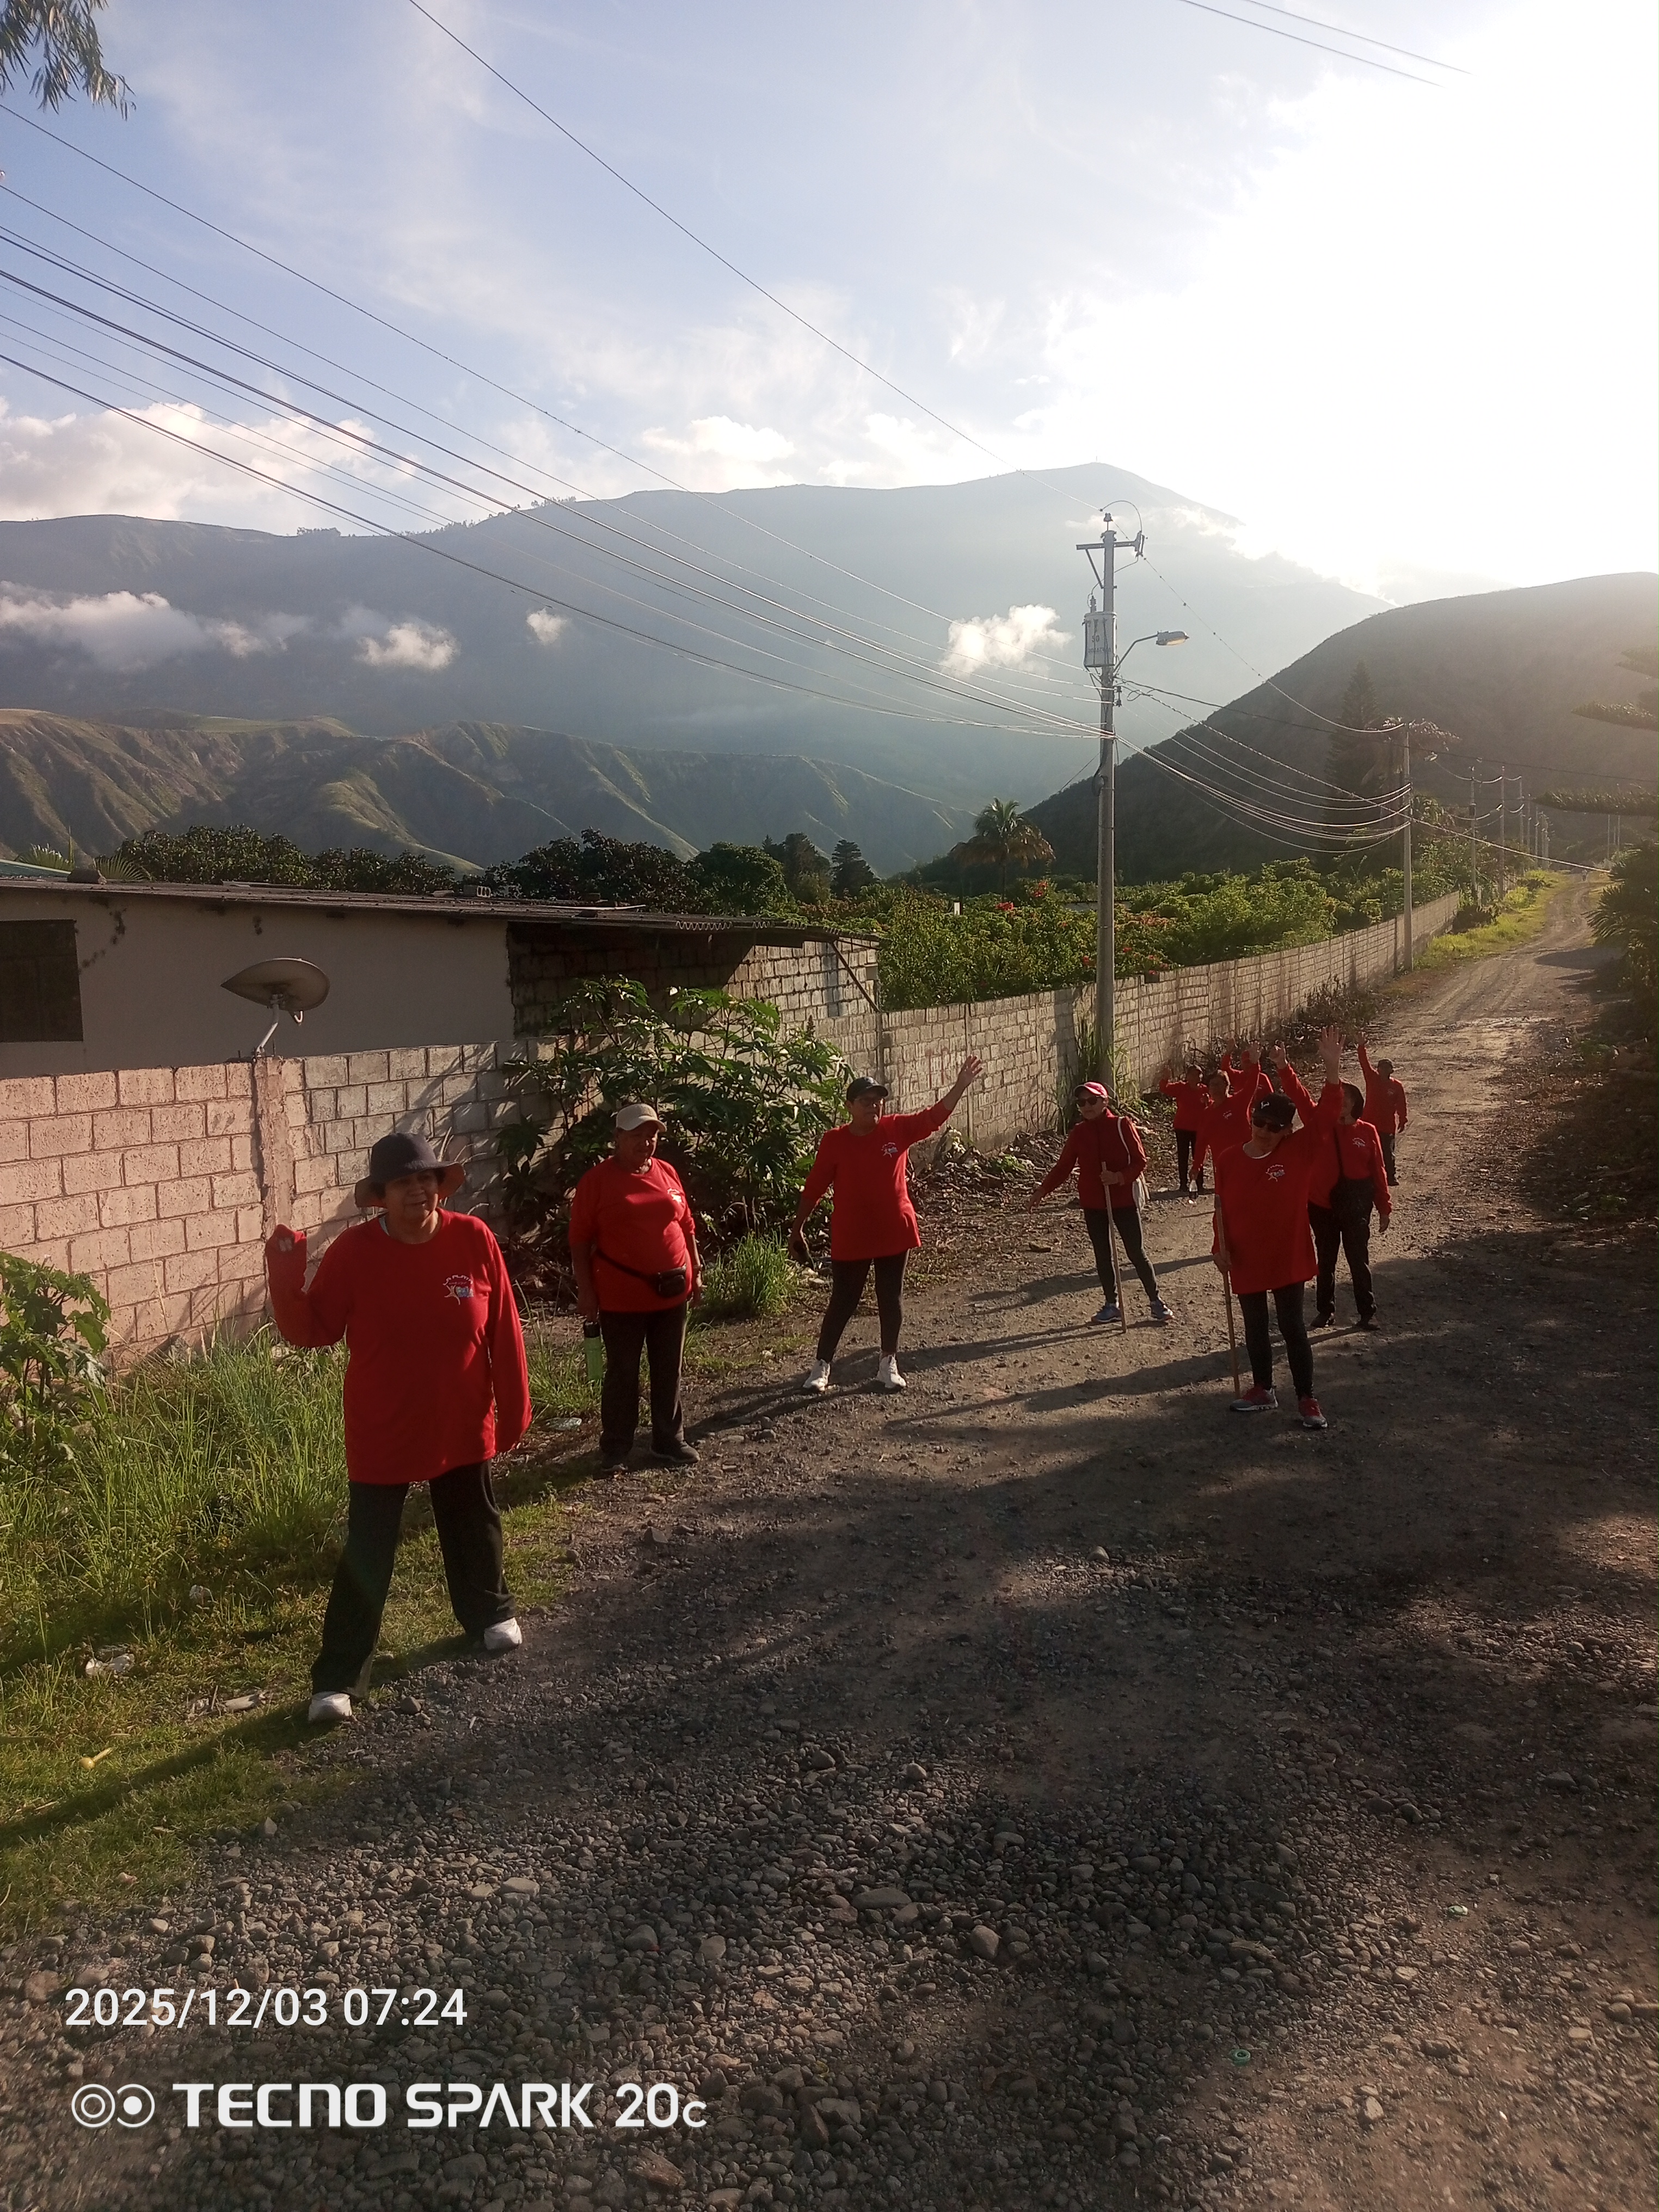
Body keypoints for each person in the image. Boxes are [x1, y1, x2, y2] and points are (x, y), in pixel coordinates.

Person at [265, 1129, 532, 1728]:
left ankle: (489, 1613)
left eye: (426, 1178)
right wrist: (285, 1275)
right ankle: (338, 1676)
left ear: (440, 1185)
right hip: (383, 1425)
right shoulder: (355, 1253)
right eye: (404, 1182)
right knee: (369, 1546)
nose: (419, 1189)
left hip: (460, 1415)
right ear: (381, 1195)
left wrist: (515, 1406)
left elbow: (503, 1327)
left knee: (473, 1520)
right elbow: (314, 1330)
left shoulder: (473, 1238)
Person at [790, 1056, 983, 1394]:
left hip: (894, 1229)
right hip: (852, 1233)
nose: (873, 1106)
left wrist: (960, 1086)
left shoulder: (896, 1129)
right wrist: (798, 1227)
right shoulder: (835, 1141)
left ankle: (887, 1363)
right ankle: (822, 1366)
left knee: (890, 1297)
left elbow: (934, 1117)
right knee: (844, 1299)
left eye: (878, 1100)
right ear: (849, 1106)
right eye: (865, 1101)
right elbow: (815, 1186)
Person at [1211, 1028, 1345, 1430]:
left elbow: (1324, 1114)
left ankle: (1306, 1397)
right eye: (1259, 1122)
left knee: (1292, 1327)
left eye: (1274, 1127)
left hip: (1287, 1255)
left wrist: (1324, 1071)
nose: (1264, 1131)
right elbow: (1221, 1209)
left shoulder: (1300, 1151)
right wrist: (1219, 1247)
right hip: (1246, 1256)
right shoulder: (1229, 1158)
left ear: (1287, 1130)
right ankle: (1263, 1389)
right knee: (1254, 1326)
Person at [569, 1102, 703, 1478]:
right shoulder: (597, 1182)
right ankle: (616, 1446)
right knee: (623, 1372)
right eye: (637, 1136)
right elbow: (579, 1240)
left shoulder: (667, 1172)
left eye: (652, 1136)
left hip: (672, 1291)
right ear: (617, 1138)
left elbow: (687, 1224)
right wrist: (586, 1291)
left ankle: (669, 1440)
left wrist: (696, 1270)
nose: (646, 1143)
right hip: (621, 1296)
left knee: (669, 1368)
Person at [1027, 1081, 1172, 1324]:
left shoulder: (1122, 1125)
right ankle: (1111, 1305)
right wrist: (1042, 1191)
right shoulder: (1078, 1133)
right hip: (1093, 1203)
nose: (1087, 1106)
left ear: (1105, 1102)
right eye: (1082, 1102)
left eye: (1093, 1101)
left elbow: (1140, 1161)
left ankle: (1156, 1301)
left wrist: (1119, 1177)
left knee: (1135, 1252)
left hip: (1123, 1201)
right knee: (1103, 1255)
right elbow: (1063, 1167)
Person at [1307, 1083, 1392, 1330]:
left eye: (1348, 1097)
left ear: (1356, 1102)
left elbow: (1378, 1170)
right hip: (1323, 1207)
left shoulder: (1367, 1131)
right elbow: (1299, 1096)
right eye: (1338, 1097)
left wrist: (1384, 1207)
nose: (1343, 1101)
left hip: (1356, 1206)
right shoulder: (1320, 1129)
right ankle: (1325, 1311)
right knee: (1326, 1261)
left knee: (1358, 1260)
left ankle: (1367, 1313)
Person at [1357, 1036, 1409, 1184]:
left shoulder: (1396, 1086)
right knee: (1367, 1152)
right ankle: (1367, 1177)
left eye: (1387, 1068)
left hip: (1387, 1126)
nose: (1384, 1070)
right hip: (1369, 1124)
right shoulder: (1372, 1078)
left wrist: (1403, 1119)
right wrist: (1361, 1046)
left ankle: (1391, 1177)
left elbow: (1401, 1104)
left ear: (1391, 1070)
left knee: (1388, 1153)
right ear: (1378, 1069)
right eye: (1382, 1068)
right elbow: (1364, 1063)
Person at [1159, 1061, 1211, 1196]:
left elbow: (1213, 1106)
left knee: (1198, 1156)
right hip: (1182, 1127)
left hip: (1199, 1129)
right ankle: (1183, 1184)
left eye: (1199, 1074)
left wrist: (1207, 1102)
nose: (1196, 1077)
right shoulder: (1181, 1087)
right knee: (1183, 1156)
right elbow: (1165, 1088)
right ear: (1187, 1077)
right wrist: (1165, 1078)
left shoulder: (1205, 1090)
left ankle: (1199, 1184)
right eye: (1193, 1075)